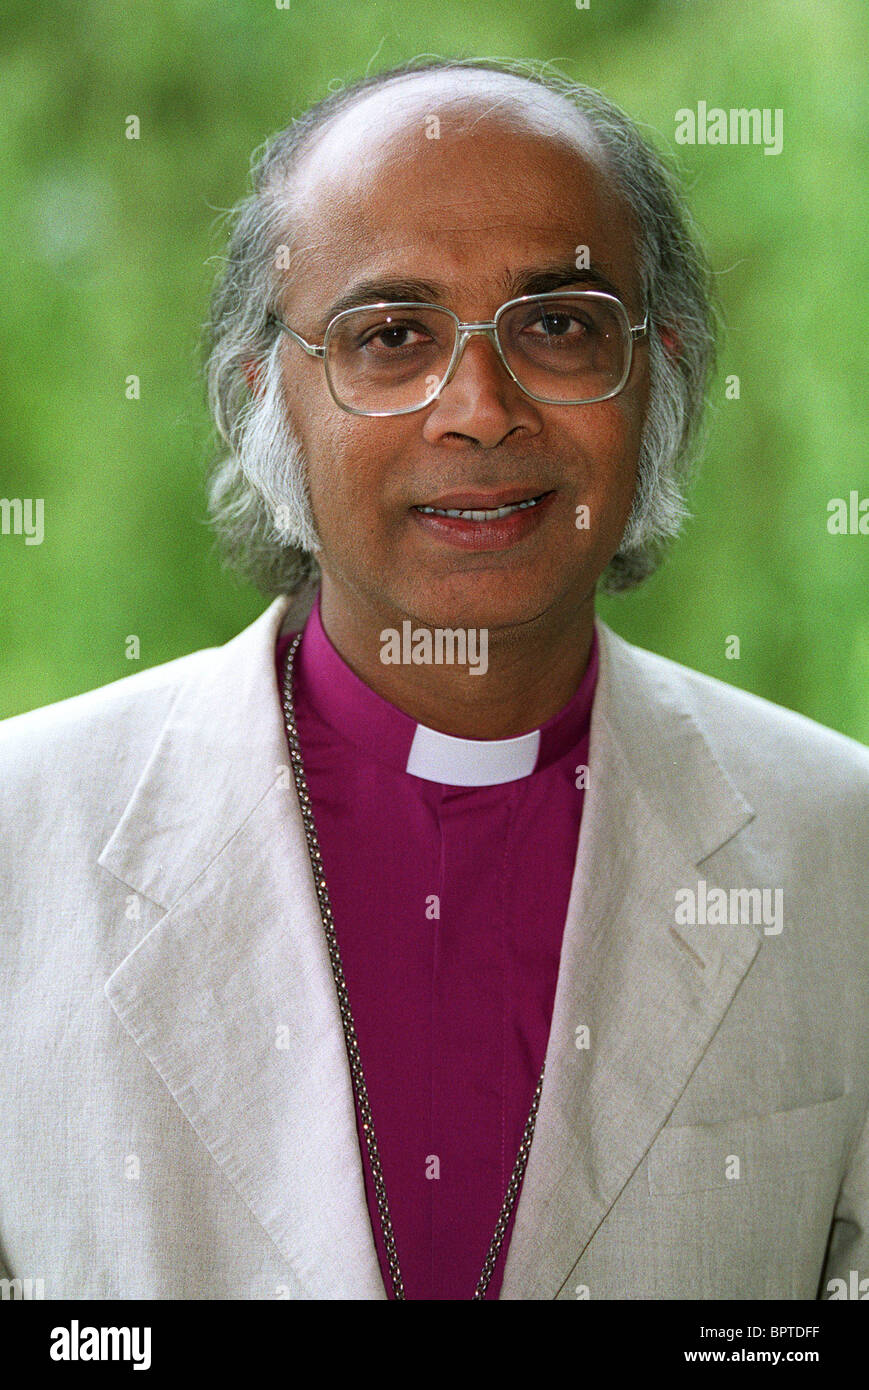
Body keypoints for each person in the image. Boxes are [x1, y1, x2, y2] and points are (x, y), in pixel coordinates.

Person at [0, 57, 866, 1301]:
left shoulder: (841, 846)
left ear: (658, 377)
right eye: (391, 336)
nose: (478, 409)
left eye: (556, 325)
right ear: (264, 401)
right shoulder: (21, 837)